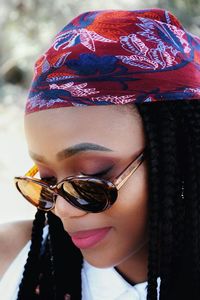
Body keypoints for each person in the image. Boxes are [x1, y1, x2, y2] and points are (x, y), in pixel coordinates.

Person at [0, 7, 200, 300]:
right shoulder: (11, 260)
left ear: (179, 159)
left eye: (92, 178)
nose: (63, 209)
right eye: (46, 180)